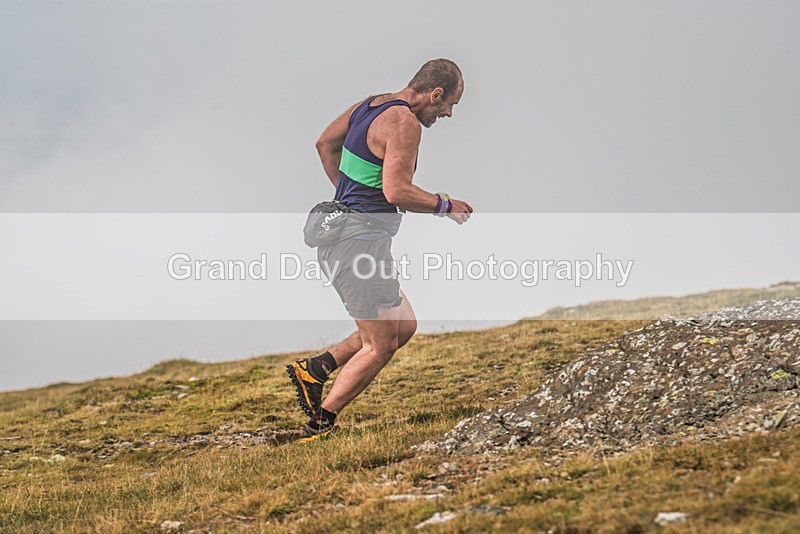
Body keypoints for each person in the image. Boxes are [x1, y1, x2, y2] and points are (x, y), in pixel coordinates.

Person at [287, 58, 473, 442]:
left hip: (358, 240)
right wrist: (444, 205)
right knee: (380, 344)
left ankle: (317, 369)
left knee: (403, 326)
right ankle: (319, 424)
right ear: (434, 94)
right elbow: (396, 191)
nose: (449, 113)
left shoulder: (370, 105)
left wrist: (348, 195)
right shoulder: (403, 122)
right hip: (356, 246)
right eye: (449, 104)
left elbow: (324, 143)